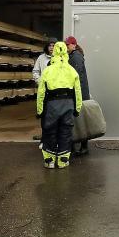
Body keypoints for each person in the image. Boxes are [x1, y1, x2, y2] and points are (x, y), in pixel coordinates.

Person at [36, 41, 82, 169]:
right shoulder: (72, 71)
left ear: (54, 51)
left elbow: (41, 93)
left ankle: (49, 161)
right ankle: (63, 161)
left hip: (52, 105)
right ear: (66, 52)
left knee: (50, 132)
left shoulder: (47, 71)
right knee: (65, 132)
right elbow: (78, 92)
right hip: (68, 105)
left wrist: (39, 110)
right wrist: (77, 108)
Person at [65, 36, 92, 156]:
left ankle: (83, 147)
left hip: (79, 94)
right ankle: (80, 146)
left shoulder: (75, 57)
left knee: (80, 121)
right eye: (65, 45)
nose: (66, 47)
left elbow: (75, 77)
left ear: (73, 45)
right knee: (79, 120)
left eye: (68, 45)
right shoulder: (73, 56)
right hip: (79, 93)